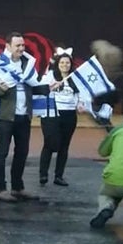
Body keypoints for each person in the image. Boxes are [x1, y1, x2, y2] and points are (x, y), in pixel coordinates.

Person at [0, 31, 56, 202]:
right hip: (6, 116)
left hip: (24, 115)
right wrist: (0, 89)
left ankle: (17, 187)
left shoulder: (28, 64)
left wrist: (48, 87)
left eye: (23, 45)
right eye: (18, 45)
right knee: (2, 152)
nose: (21, 48)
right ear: (7, 46)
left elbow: (34, 85)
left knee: (22, 152)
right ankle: (0, 189)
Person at [38, 50, 80, 187]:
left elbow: (81, 95)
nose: (65, 65)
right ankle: (43, 174)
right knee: (50, 143)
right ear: (57, 64)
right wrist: (50, 87)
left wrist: (81, 104)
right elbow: (40, 89)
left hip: (70, 115)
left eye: (67, 62)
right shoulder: (50, 75)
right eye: (62, 62)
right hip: (52, 114)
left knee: (64, 146)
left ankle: (59, 176)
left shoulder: (76, 77)